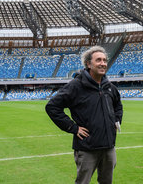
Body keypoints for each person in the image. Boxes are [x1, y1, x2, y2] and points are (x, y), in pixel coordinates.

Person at [45, 46, 123, 184]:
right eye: (98, 60)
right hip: (87, 148)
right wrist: (73, 128)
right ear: (88, 64)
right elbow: (52, 107)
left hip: (109, 147)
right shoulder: (76, 86)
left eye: (104, 60)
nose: (103, 63)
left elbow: (118, 105)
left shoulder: (110, 86)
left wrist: (117, 120)